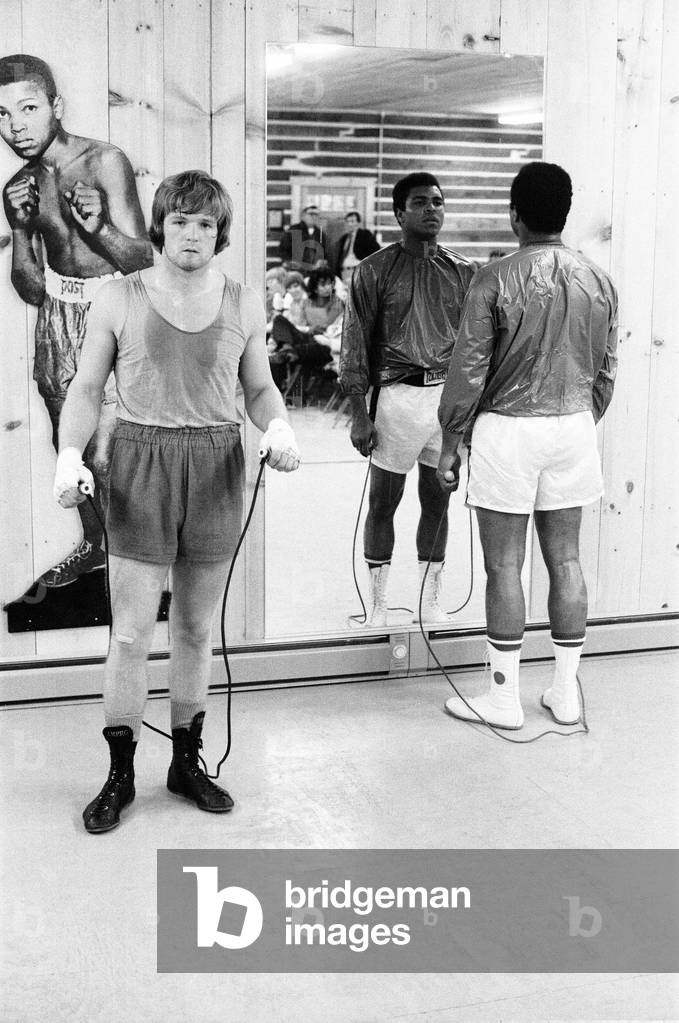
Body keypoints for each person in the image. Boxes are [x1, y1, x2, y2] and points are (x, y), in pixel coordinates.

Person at [52, 170, 301, 832]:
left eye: (206, 223)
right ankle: (119, 772)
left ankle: (185, 761)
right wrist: (68, 455)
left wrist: (276, 425)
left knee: (194, 629)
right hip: (141, 463)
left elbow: (259, 387)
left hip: (216, 462)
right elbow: (85, 387)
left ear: (220, 233)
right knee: (131, 632)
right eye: (181, 220)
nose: (192, 234)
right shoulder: (117, 296)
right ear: (159, 225)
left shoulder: (245, 301)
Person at [437, 161, 618, 729]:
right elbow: (606, 371)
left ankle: (503, 698)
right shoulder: (599, 279)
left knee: (504, 566)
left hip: (508, 431)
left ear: (514, 215)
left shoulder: (493, 278)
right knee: (565, 560)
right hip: (573, 428)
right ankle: (565, 694)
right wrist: (582, 420)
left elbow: (468, 370)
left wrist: (450, 442)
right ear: (563, 212)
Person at [0, 54, 153, 588]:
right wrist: (19, 230)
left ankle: (132, 566)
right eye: (1, 114)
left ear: (55, 106)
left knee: (111, 455)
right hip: (58, 319)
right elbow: (31, 288)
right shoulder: (18, 186)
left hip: (112, 313)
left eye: (28, 108)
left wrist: (100, 230)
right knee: (69, 449)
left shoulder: (104, 160)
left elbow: (143, 259)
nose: (15, 126)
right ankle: (96, 547)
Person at [339, 172, 475, 626]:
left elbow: (476, 349)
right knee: (384, 501)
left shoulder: (464, 272)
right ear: (400, 213)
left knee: (438, 501)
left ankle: (428, 602)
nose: (432, 209)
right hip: (395, 397)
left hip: (446, 401)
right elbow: (354, 344)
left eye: (438, 201)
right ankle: (376, 606)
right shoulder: (373, 270)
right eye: (420, 202)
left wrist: (469, 410)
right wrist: (358, 414)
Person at [333, 210, 380, 285]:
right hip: (344, 273)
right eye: (347, 222)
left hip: (358, 272)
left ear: (358, 223)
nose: (349, 224)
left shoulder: (365, 235)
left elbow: (376, 251)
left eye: (352, 221)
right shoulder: (344, 239)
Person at [278, 203, 327, 272]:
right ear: (303, 216)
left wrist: (322, 261)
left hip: (315, 272)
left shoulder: (320, 234)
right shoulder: (293, 230)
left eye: (316, 215)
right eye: (311, 214)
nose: (314, 217)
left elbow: (324, 253)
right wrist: (290, 262)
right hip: (296, 271)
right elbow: (282, 250)